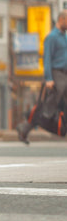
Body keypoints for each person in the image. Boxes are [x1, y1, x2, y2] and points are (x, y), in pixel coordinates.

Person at [17, 10, 67, 145]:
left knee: (49, 106)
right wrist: (49, 78)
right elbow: (47, 59)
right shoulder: (51, 37)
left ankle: (25, 128)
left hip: (65, 74)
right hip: (56, 75)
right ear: (61, 19)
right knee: (46, 108)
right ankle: (25, 127)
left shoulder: (64, 37)